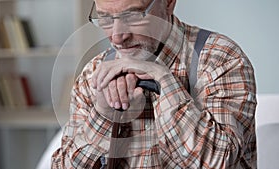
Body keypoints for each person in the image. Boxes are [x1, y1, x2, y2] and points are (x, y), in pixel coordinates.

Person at [52, 0, 257, 168]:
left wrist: (164, 80)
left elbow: (218, 162)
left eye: (132, 16)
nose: (117, 37)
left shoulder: (220, 59)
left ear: (168, 3)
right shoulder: (94, 74)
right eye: (105, 18)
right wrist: (102, 116)